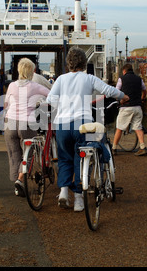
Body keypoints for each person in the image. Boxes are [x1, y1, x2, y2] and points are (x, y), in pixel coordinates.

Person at [46, 47, 129, 212]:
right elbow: (108, 90)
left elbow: (50, 100)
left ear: (68, 63)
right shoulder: (89, 78)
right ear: (84, 63)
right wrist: (123, 96)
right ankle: (78, 199)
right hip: (82, 124)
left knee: (64, 158)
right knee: (82, 159)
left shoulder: (61, 79)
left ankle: (63, 192)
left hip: (62, 125)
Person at [4, 58, 50, 197]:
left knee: (14, 153)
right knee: (29, 152)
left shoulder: (12, 85)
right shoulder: (34, 86)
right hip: (26, 122)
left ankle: (18, 186)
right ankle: (20, 179)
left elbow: (6, 103)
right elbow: (52, 95)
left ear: (18, 70)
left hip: (10, 121)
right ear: (32, 71)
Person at [112, 63, 147, 156]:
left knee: (119, 128)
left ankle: (114, 148)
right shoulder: (139, 79)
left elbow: (116, 92)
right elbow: (144, 90)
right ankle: (142, 147)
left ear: (124, 71)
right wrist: (142, 98)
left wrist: (120, 100)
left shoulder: (121, 79)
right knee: (138, 127)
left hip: (126, 107)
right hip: (137, 107)